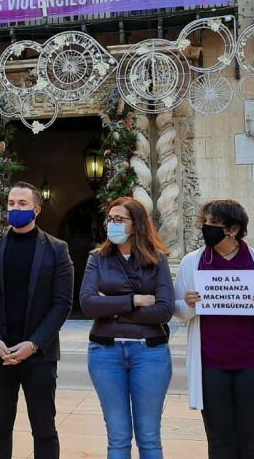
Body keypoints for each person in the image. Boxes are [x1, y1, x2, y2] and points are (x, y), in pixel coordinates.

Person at [173, 199, 254, 459]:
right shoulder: (192, 263)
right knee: (219, 440)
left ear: (233, 229)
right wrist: (190, 305)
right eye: (203, 222)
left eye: (213, 223)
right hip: (211, 364)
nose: (205, 228)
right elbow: (178, 309)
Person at [0, 182, 73, 459]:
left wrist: (35, 343)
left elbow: (62, 303)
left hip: (39, 355)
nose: (15, 209)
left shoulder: (57, 249)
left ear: (36, 210)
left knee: (44, 429)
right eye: (11, 203)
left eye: (22, 204)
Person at [80, 196, 174, 459]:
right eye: (110, 219)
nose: (113, 224)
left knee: (149, 437)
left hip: (150, 353)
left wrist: (110, 308)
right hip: (105, 352)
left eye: (120, 219)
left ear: (137, 224)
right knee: (118, 437)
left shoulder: (157, 260)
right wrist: (133, 301)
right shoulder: (97, 258)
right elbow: (87, 304)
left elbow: (165, 310)